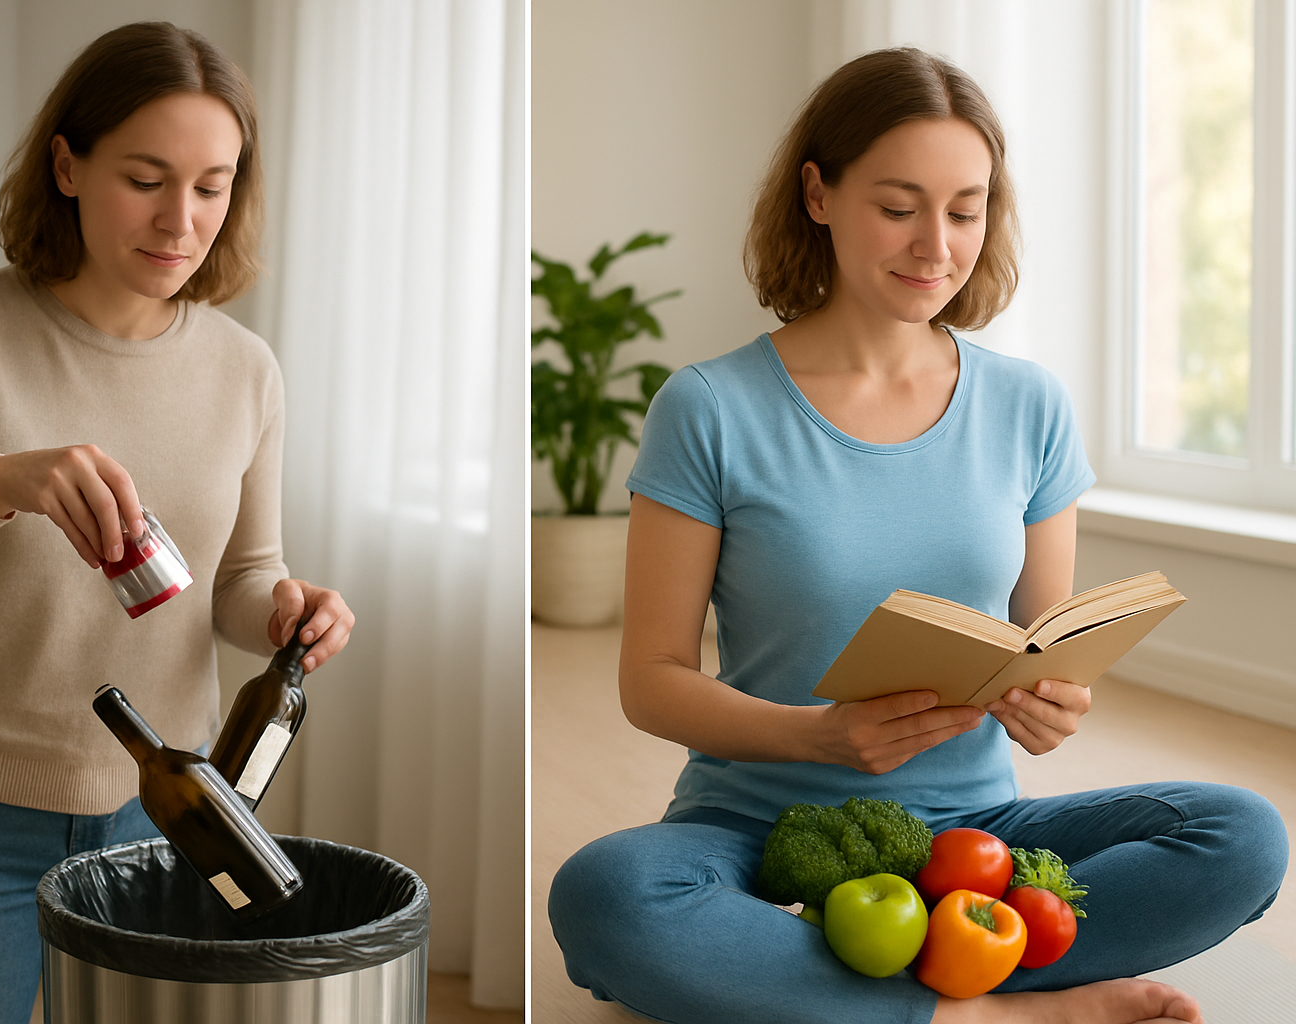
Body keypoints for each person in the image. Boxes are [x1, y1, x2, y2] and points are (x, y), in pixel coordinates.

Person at [547, 47, 1286, 1024]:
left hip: (971, 835)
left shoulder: (1029, 405)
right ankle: (983, 1009)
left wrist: (1055, 699)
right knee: (605, 896)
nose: (936, 244)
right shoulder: (711, 407)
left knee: (1242, 833)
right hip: (754, 830)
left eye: (965, 209)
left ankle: (823, 981)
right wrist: (820, 735)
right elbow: (651, 679)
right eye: (899, 206)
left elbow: (1043, 635)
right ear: (819, 193)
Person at [0, 22, 353, 1024]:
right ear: (67, 165)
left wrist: (286, 613)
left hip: (166, 823)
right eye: (146, 177)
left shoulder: (244, 369)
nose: (182, 219)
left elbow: (243, 574)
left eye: (213, 185)